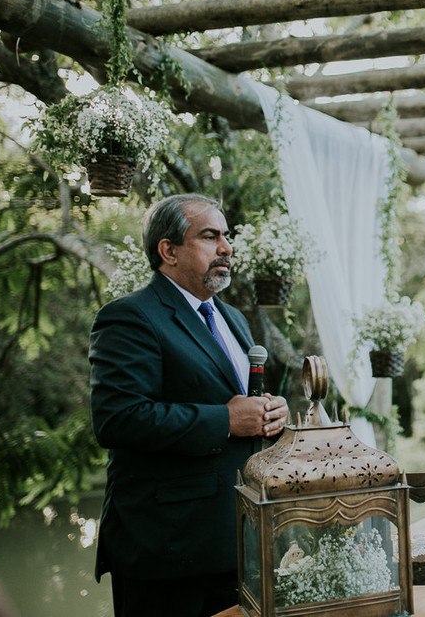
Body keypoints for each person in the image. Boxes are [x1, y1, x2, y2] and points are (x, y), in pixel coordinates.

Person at [89, 194, 289, 617]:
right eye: (210, 236)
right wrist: (227, 420)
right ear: (169, 250)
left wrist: (270, 414)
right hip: (168, 550)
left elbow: (242, 404)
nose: (226, 247)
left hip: (241, 540)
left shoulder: (232, 318)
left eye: (227, 236)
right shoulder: (130, 317)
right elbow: (118, 419)